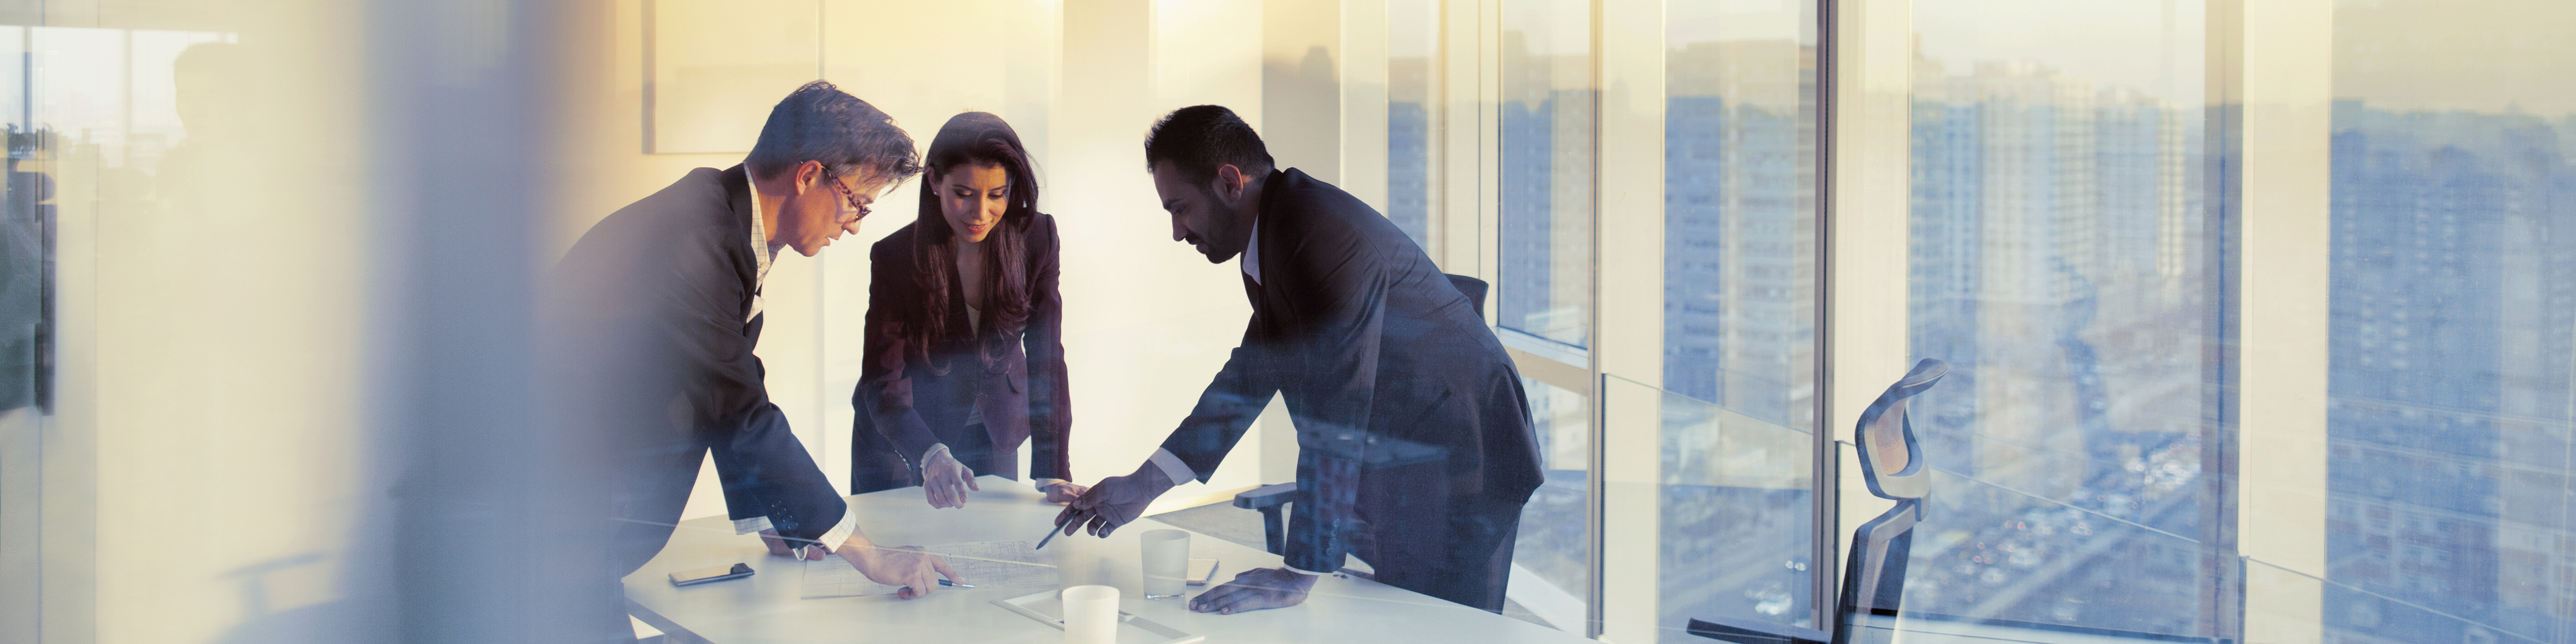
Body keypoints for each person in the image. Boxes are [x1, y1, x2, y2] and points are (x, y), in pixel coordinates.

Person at [1055, 105, 1544, 615]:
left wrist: (1298, 572)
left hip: (1464, 449)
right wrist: (1144, 484)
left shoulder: (1318, 235)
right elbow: (1249, 376)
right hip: (1408, 443)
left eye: (1180, 208)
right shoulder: (1275, 235)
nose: (1178, 232)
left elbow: (1337, 407)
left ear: (1229, 182)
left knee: (1441, 624)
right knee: (1398, 612)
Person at [549, 81, 959, 631]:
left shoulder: (717, 221)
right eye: (856, 202)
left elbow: (723, 388)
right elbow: (742, 410)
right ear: (808, 175)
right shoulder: (691, 241)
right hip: (542, 533)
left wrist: (782, 521)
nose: (856, 224)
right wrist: (865, 552)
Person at [851, 111, 1084, 508]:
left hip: (995, 429)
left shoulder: (1038, 238)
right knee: (898, 553)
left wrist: (1053, 470)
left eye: (997, 194)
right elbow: (882, 379)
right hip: (906, 434)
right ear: (934, 182)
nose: (980, 213)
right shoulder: (894, 256)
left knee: (993, 552)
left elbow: (1047, 356)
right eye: (963, 193)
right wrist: (930, 454)